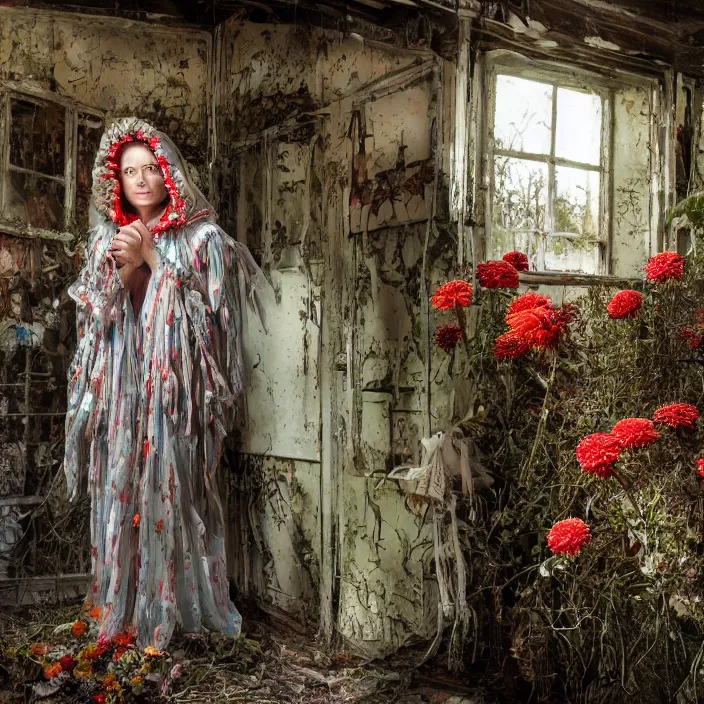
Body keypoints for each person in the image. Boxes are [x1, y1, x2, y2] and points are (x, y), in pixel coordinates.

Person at [63, 118, 261, 649]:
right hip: (124, 397)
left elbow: (215, 328)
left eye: (151, 168)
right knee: (121, 488)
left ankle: (177, 606)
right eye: (130, 172)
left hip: (174, 400)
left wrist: (153, 258)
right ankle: (126, 607)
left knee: (175, 495)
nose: (142, 180)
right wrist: (126, 272)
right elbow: (93, 325)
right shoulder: (107, 238)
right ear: (117, 180)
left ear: (168, 171)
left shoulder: (202, 239)